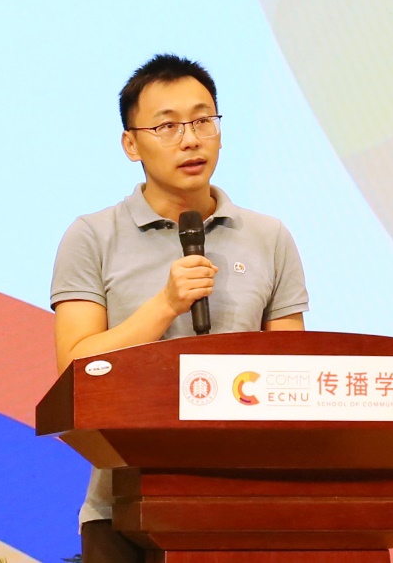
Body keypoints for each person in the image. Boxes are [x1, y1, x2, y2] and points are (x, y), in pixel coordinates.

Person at [50, 54, 310, 563]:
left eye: (202, 120)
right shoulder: (92, 236)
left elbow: (293, 371)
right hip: (123, 508)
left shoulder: (269, 237)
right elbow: (74, 371)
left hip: (248, 502)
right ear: (131, 144)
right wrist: (166, 305)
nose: (190, 140)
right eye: (167, 126)